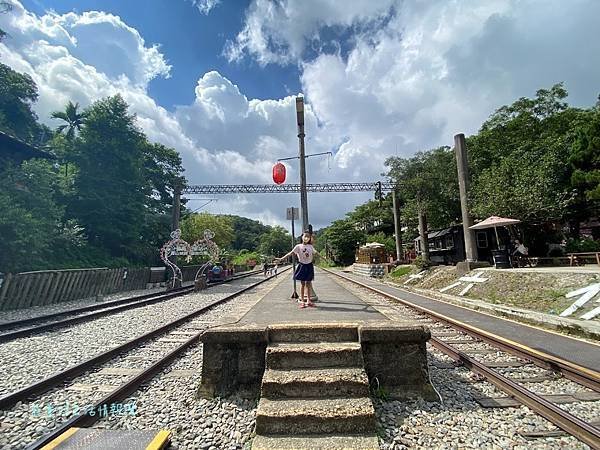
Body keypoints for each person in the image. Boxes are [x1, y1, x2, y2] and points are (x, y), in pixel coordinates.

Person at [275, 231, 322, 308]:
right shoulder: (298, 246)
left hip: (309, 266)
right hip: (302, 266)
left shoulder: (310, 246)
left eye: (308, 236)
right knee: (303, 284)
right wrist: (281, 258)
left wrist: (324, 258)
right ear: (302, 237)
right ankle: (302, 301)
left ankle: (308, 301)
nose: (306, 238)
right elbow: (291, 253)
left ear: (310, 238)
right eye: (305, 236)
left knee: (308, 284)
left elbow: (316, 253)